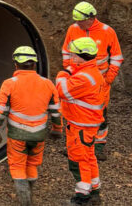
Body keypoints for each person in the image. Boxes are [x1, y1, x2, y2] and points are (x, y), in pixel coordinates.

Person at [0, 46, 62, 206]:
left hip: (18, 135)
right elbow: (56, 111)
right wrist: (57, 129)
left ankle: (25, 199)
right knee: (32, 163)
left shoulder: (9, 84)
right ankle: (30, 191)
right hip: (39, 135)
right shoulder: (48, 84)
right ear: (34, 64)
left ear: (15, 64)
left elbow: (0, 111)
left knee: (17, 165)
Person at [62, 1, 123, 160]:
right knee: (76, 113)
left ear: (91, 18)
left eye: (81, 21)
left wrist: (110, 77)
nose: (78, 24)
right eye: (76, 21)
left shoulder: (107, 31)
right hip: (78, 81)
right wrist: (68, 68)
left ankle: (98, 147)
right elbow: (66, 51)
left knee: (99, 113)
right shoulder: (73, 29)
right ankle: (76, 146)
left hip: (100, 83)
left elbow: (117, 57)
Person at [57, 37, 106, 205]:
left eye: (74, 54)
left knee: (78, 160)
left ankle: (82, 197)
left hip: (80, 125)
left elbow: (62, 90)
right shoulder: (90, 72)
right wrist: (72, 69)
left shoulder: (84, 78)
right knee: (89, 157)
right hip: (88, 125)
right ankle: (94, 190)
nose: (71, 56)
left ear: (82, 56)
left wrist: (63, 74)